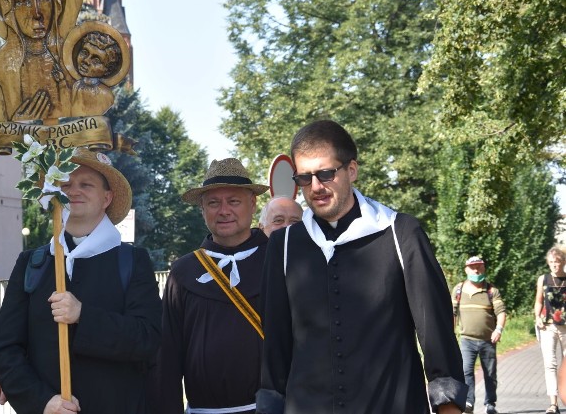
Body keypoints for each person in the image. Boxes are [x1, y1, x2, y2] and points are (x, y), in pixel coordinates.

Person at [258, 119, 467, 413]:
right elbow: (275, 346)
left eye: (326, 174)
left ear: (351, 170)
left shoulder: (401, 233)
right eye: (304, 178)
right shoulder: (284, 245)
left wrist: (448, 404)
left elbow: (435, 329)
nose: (316, 187)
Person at [0, 148, 161, 414]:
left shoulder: (131, 261)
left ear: (107, 197)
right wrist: (43, 401)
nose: (74, 190)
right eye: (65, 184)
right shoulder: (32, 262)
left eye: (86, 184)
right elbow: (6, 349)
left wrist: (84, 315)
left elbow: (147, 339)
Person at [154, 157, 270, 414]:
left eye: (234, 201)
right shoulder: (184, 271)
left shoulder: (278, 262)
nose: (224, 210)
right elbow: (167, 357)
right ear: (202, 210)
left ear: (252, 204)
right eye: (213, 203)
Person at [453, 255, 506, 414]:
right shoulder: (459, 290)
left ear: (484, 268)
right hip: (466, 340)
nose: (476, 270)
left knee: (490, 374)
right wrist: (450, 333)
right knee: (466, 371)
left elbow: (501, 312)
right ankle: (469, 402)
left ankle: (490, 404)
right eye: (473, 267)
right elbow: (453, 313)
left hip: (488, 340)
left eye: (479, 267)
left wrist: (498, 329)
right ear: (466, 269)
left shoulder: (491, 290)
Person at [535, 246, 566, 414]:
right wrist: (537, 317)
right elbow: (539, 301)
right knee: (550, 364)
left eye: (558, 262)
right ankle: (553, 403)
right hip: (547, 326)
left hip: (565, 327)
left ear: (563, 262)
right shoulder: (543, 279)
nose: (555, 265)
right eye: (552, 262)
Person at [69, 30, 122, 117]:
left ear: (107, 70)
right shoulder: (75, 87)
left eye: (96, 60)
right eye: (84, 53)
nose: (86, 61)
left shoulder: (106, 95)